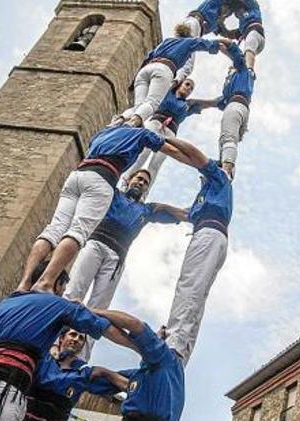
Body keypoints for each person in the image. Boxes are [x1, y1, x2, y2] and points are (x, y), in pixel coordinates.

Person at [0, 261, 137, 421]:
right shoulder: (57, 306)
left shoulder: (10, 301)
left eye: (81, 338)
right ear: (57, 283)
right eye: (62, 289)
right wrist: (141, 346)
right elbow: (103, 328)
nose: (63, 294)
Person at [17, 126, 196, 294]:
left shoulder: (106, 132)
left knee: (54, 228)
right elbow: (172, 150)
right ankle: (46, 282)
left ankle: (24, 283)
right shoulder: (141, 134)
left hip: (78, 175)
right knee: (78, 231)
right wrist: (199, 164)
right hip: (101, 178)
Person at [64, 170, 186, 359]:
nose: (141, 183)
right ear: (128, 181)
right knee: (73, 294)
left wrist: (166, 206)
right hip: (96, 244)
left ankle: (79, 359)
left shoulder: (146, 210)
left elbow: (179, 214)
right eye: (138, 179)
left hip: (117, 257)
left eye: (145, 182)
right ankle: (54, 346)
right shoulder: (114, 194)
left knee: (99, 310)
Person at [91, 310, 184, 421]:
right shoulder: (146, 376)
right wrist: (105, 372)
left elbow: (135, 325)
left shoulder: (162, 359)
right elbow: (124, 382)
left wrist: (93, 310)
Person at [162, 138, 233, 367]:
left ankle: (174, 344)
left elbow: (190, 153)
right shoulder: (205, 196)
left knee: (189, 286)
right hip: (211, 235)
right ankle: (181, 350)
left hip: (209, 234)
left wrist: (160, 139)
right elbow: (182, 214)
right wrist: (157, 208)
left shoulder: (219, 178)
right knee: (196, 293)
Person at [117, 24, 223, 128]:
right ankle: (132, 123)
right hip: (163, 69)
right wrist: (224, 45)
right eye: (187, 84)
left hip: (146, 70)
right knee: (153, 103)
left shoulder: (166, 42)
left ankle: (119, 120)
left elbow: (148, 57)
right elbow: (205, 44)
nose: (189, 89)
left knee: (138, 106)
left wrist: (133, 82)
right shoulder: (188, 42)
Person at [120, 79, 202, 191]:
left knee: (156, 164)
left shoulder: (188, 105)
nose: (189, 89)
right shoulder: (167, 92)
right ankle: (124, 184)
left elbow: (206, 104)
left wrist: (223, 100)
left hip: (170, 132)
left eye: (191, 88)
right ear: (180, 84)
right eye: (187, 84)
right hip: (155, 123)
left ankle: (143, 194)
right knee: (143, 153)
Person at [190, 40, 253, 176]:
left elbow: (234, 50)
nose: (229, 71)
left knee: (227, 139)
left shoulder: (242, 70)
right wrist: (194, 102)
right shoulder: (228, 92)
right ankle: (226, 169)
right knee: (227, 143)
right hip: (240, 108)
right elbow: (214, 102)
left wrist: (218, 43)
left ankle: (226, 172)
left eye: (230, 69)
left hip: (236, 106)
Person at [218, 0, 264, 70]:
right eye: (236, 12)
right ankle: (239, 66)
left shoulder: (253, 8)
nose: (237, 13)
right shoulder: (242, 27)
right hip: (250, 38)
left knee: (249, 43)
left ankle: (249, 69)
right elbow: (229, 34)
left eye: (238, 9)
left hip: (256, 33)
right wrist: (220, 24)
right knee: (226, 45)